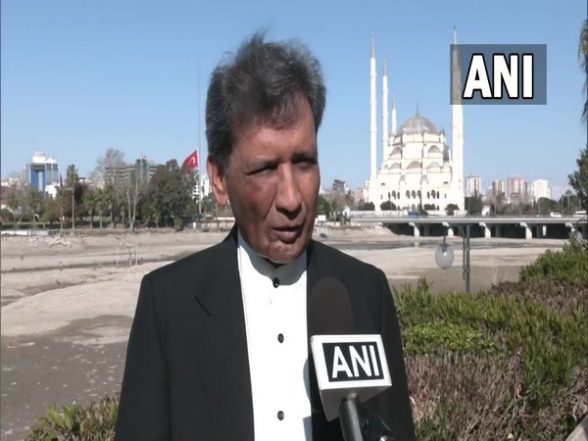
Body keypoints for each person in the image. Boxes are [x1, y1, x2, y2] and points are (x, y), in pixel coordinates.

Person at [115, 33, 415, 441]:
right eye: (265, 169)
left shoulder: (366, 292)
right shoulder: (168, 304)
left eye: (304, 163)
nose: (292, 199)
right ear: (220, 179)